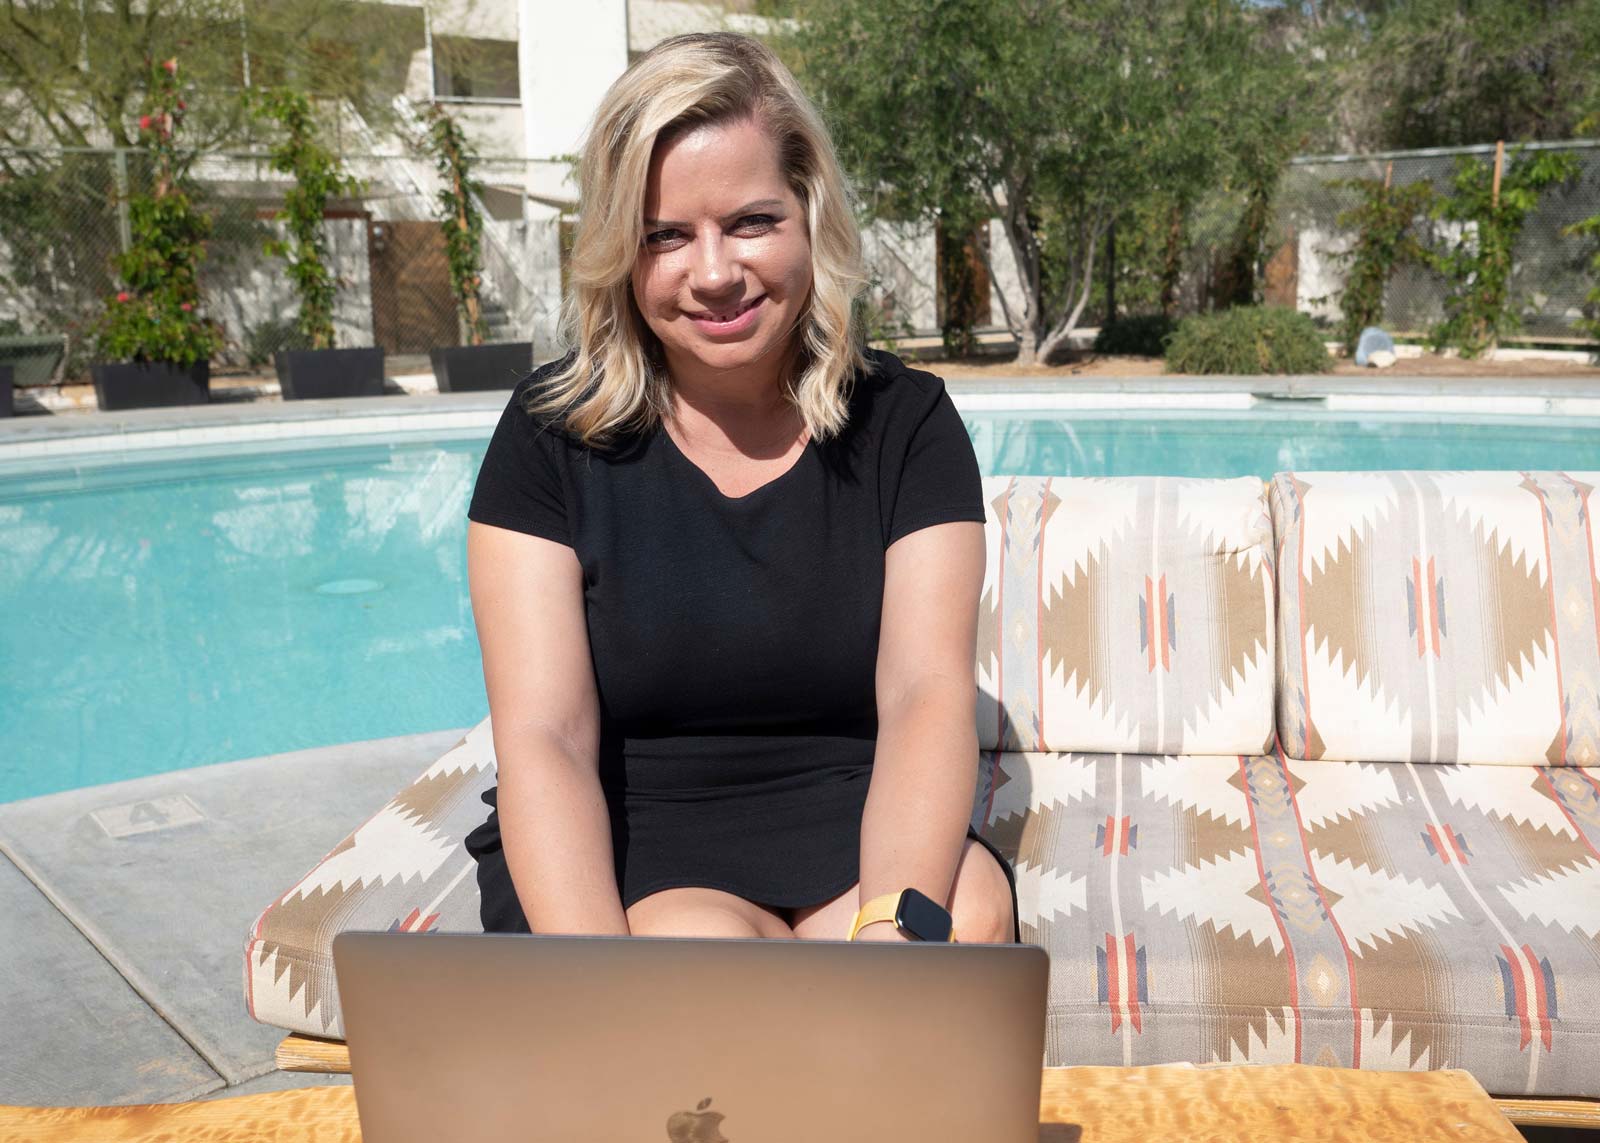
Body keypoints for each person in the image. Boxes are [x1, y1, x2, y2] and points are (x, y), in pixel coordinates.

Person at [462, 30, 1020, 945]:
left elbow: (926, 694)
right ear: (618, 251)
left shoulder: (906, 424)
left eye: (752, 221)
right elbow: (545, 739)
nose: (715, 273)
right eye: (666, 236)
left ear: (811, 216)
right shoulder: (548, 433)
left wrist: (890, 926)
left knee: (961, 917)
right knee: (707, 962)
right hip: (638, 836)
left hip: (854, 815)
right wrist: (598, 978)